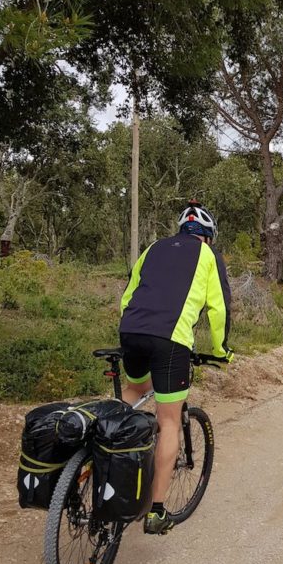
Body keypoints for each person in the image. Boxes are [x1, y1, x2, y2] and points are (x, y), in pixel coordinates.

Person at [119, 200, 232, 534]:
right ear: (208, 236)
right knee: (168, 420)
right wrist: (222, 350)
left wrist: (132, 327)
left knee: (135, 390)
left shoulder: (152, 248)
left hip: (131, 330)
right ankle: (156, 511)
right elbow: (219, 308)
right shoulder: (209, 257)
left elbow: (128, 295)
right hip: (171, 341)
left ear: (182, 230)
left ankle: (103, 453)